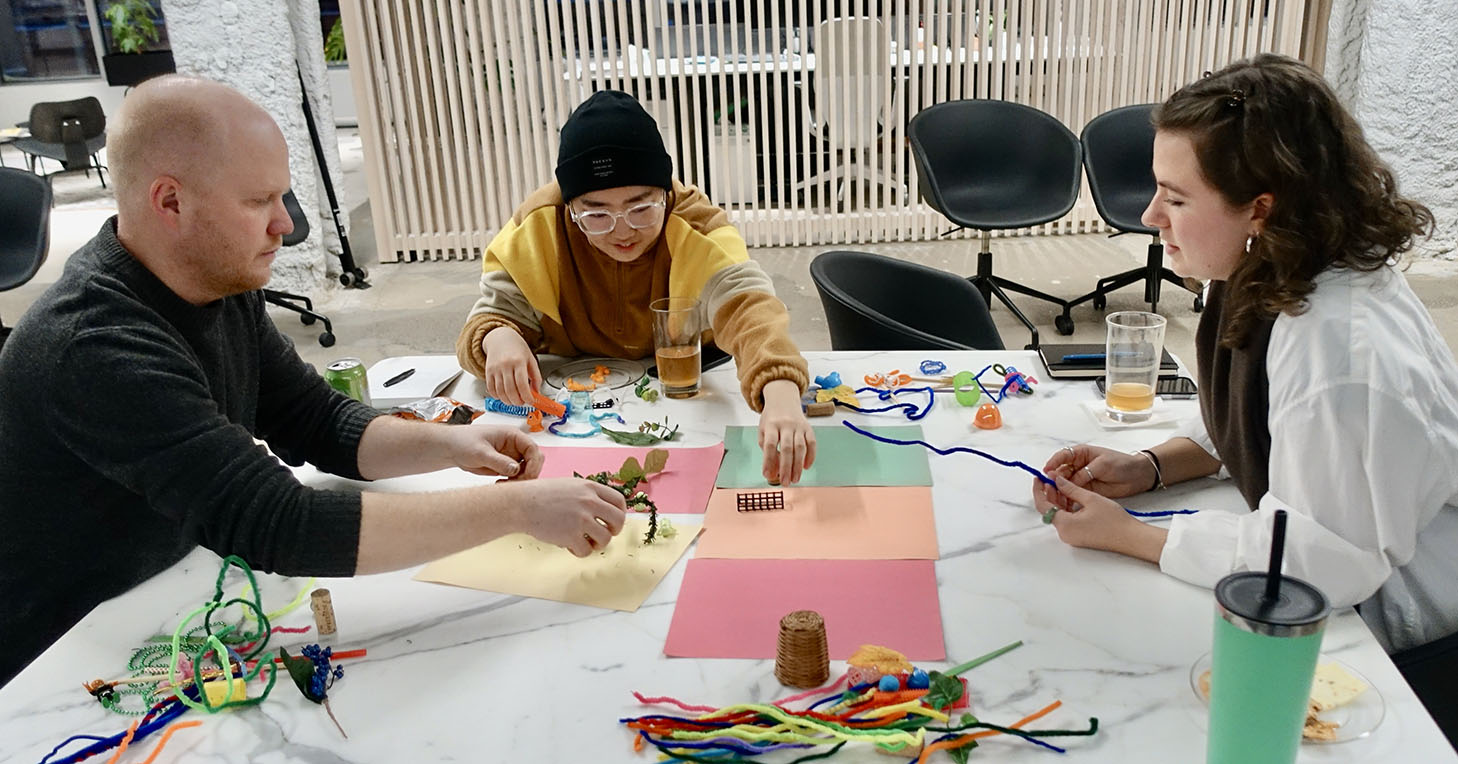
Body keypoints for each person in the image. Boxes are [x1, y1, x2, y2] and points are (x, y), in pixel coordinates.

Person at [0, 76, 629, 688]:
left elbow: (316, 421)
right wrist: (518, 508)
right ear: (170, 203)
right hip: (58, 652)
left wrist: (456, 442)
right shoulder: (94, 344)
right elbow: (278, 524)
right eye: (258, 202)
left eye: (284, 198)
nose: (287, 226)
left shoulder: (213, 280)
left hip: (168, 587)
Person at [1032, 54, 1458, 740]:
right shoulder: (1280, 266)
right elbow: (1262, 418)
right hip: (1359, 594)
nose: (1149, 216)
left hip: (1410, 646)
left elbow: (1319, 561)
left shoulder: (1341, 349)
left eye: (1175, 197)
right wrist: (1154, 465)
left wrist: (1137, 538)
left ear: (1261, 206)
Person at [454, 90, 816, 485]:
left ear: (665, 193)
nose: (622, 230)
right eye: (596, 215)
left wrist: (779, 388)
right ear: (571, 209)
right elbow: (491, 314)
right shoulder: (541, 225)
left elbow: (750, 310)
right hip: (580, 416)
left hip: (687, 402)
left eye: (641, 208)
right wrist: (499, 337)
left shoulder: (694, 224)